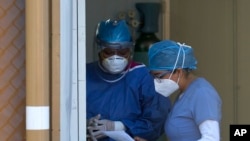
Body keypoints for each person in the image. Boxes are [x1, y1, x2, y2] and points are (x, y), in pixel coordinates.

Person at [86, 19, 171, 141]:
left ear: (130, 50)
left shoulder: (142, 76)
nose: (115, 58)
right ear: (99, 50)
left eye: (122, 52)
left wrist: (118, 126)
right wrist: (84, 124)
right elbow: (63, 113)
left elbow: (157, 120)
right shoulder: (83, 75)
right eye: (109, 52)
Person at [145, 39, 222, 141]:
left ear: (179, 72)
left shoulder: (202, 93)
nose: (156, 81)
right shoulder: (184, 93)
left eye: (159, 76)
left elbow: (211, 138)